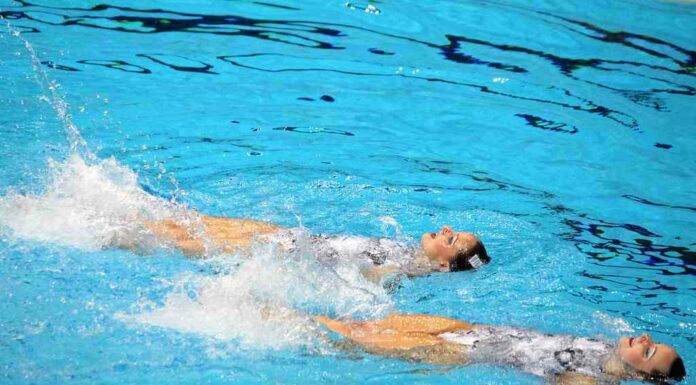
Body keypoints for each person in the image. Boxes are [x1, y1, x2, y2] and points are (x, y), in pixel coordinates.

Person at [314, 313, 686, 384]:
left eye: (650, 353)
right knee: (376, 321)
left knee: (346, 336)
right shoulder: (609, 344)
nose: (646, 341)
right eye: (655, 342)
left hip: (465, 354)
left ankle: (292, 324)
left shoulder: (591, 381)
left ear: (641, 375)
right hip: (473, 329)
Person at [133, 214, 490, 281]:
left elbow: (366, 281)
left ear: (444, 265)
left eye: (452, 239)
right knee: (196, 221)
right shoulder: (409, 253)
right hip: (298, 237)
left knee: (190, 239)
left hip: (288, 250)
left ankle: (119, 229)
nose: (446, 230)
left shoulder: (407, 270)